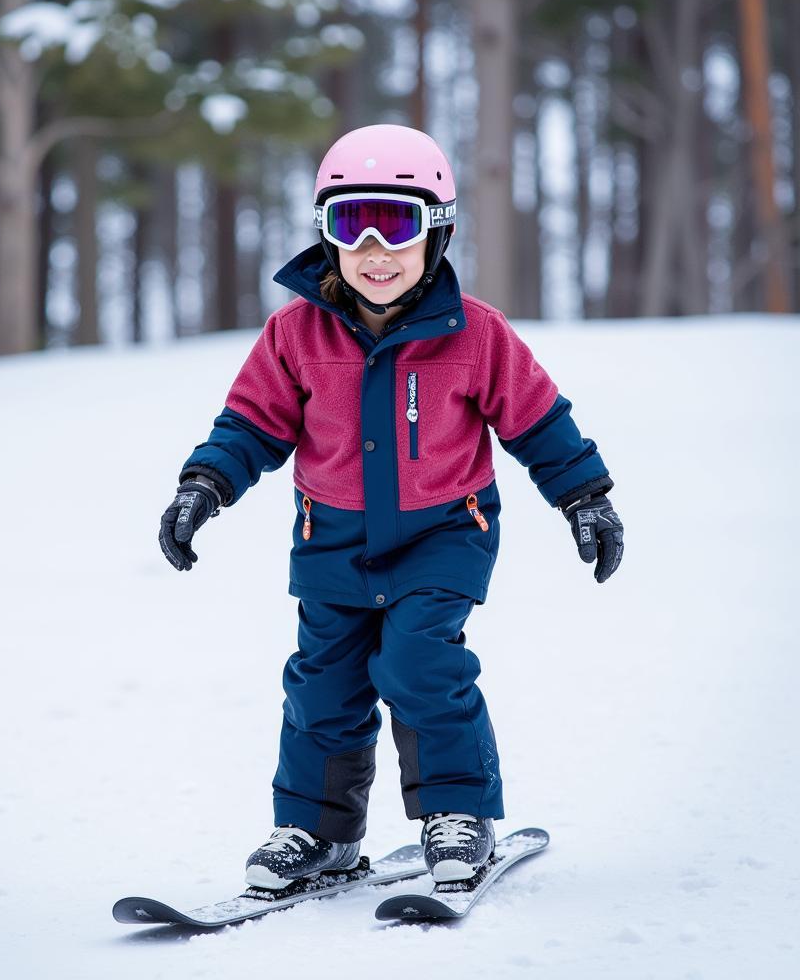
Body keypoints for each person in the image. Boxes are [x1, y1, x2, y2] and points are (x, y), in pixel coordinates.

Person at [158, 124, 624, 890]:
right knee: (322, 684)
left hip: (445, 533)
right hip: (331, 539)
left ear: (436, 230)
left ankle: (458, 814)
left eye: (398, 224)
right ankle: (318, 832)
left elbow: (538, 420)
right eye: (352, 224)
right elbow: (250, 422)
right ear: (327, 234)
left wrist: (585, 496)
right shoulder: (295, 334)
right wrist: (204, 485)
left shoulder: (475, 335)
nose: (375, 248)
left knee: (419, 663)